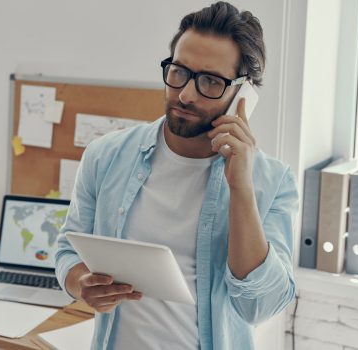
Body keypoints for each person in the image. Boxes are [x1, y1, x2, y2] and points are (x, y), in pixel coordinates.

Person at [55, 2, 298, 349]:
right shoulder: (105, 156)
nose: (184, 94)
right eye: (179, 71)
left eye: (210, 81)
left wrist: (241, 185)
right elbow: (68, 249)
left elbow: (259, 306)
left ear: (243, 94)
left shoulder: (274, 183)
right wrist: (81, 283)